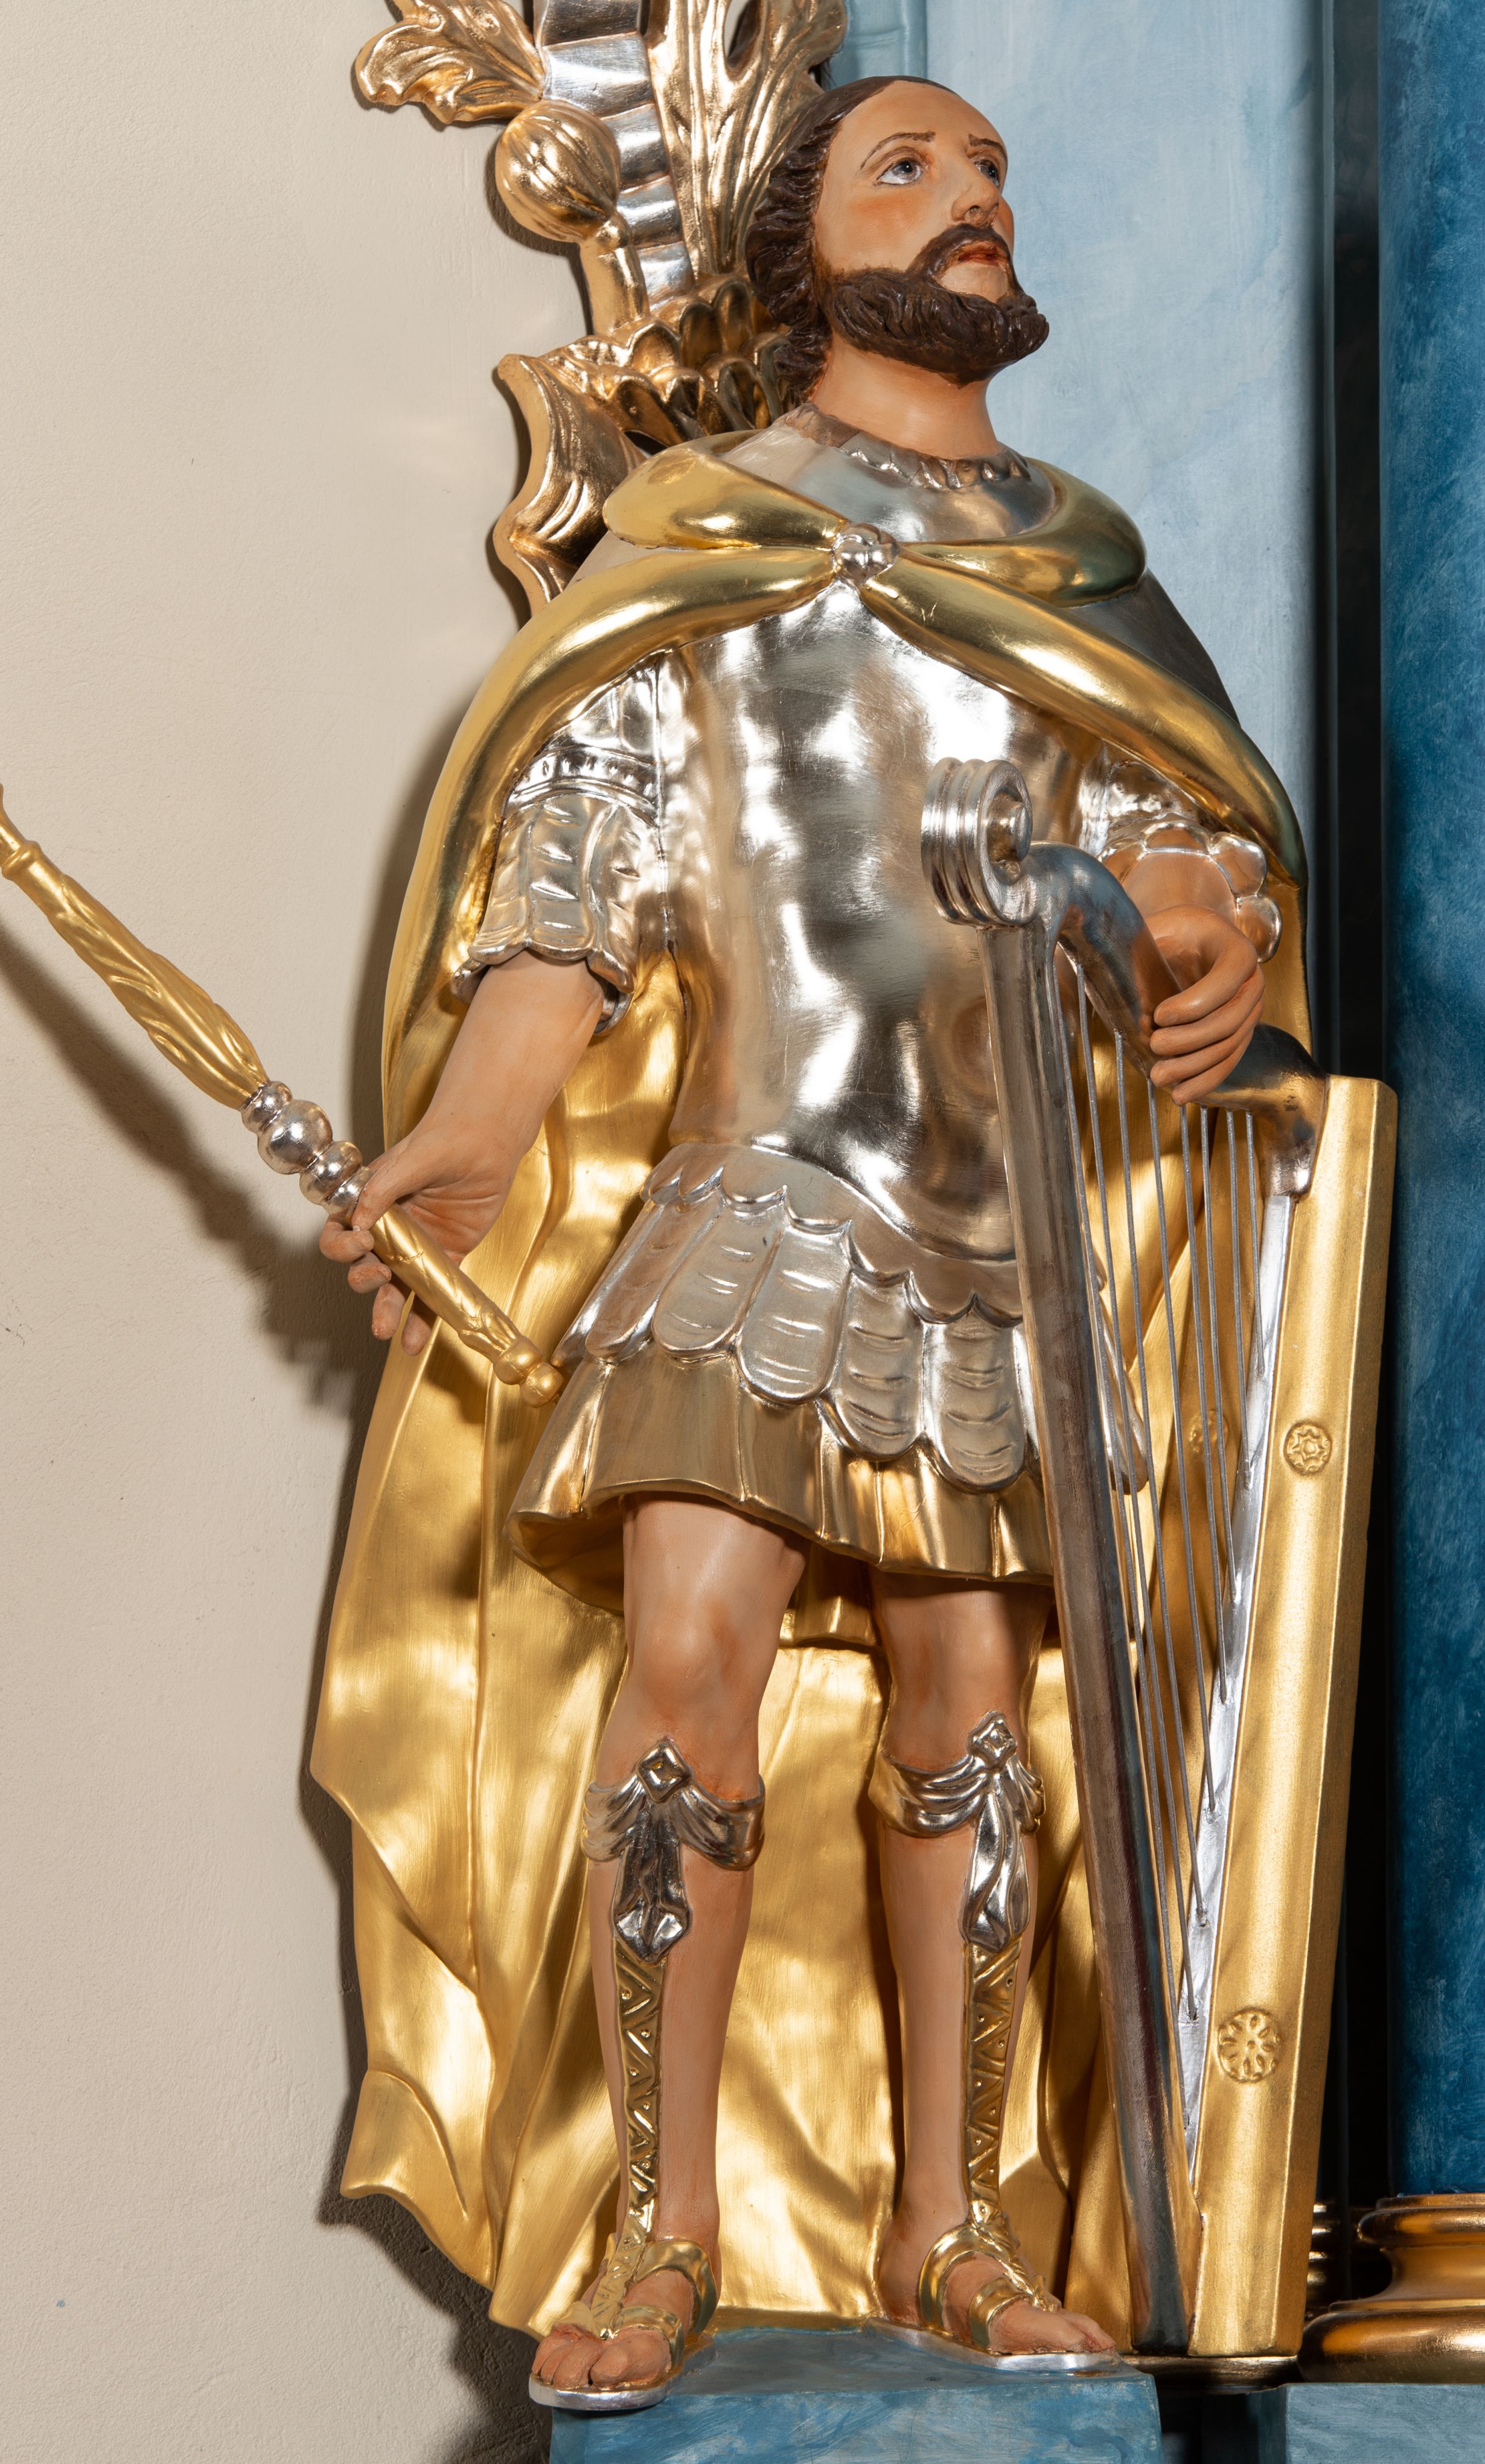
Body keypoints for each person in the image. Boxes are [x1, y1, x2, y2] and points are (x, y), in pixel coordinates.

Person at [323, 73, 1292, 2407]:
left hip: (1001, 1231)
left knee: (975, 1718)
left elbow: (1185, 839)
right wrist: (470, 1137)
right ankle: (656, 2225)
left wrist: (1217, 930)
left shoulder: (1083, 564)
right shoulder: (711, 537)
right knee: (685, 1655)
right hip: (758, 1197)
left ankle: (952, 2221)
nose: (973, 202)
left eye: (991, 174)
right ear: (804, 253)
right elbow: (587, 883)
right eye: (910, 170)